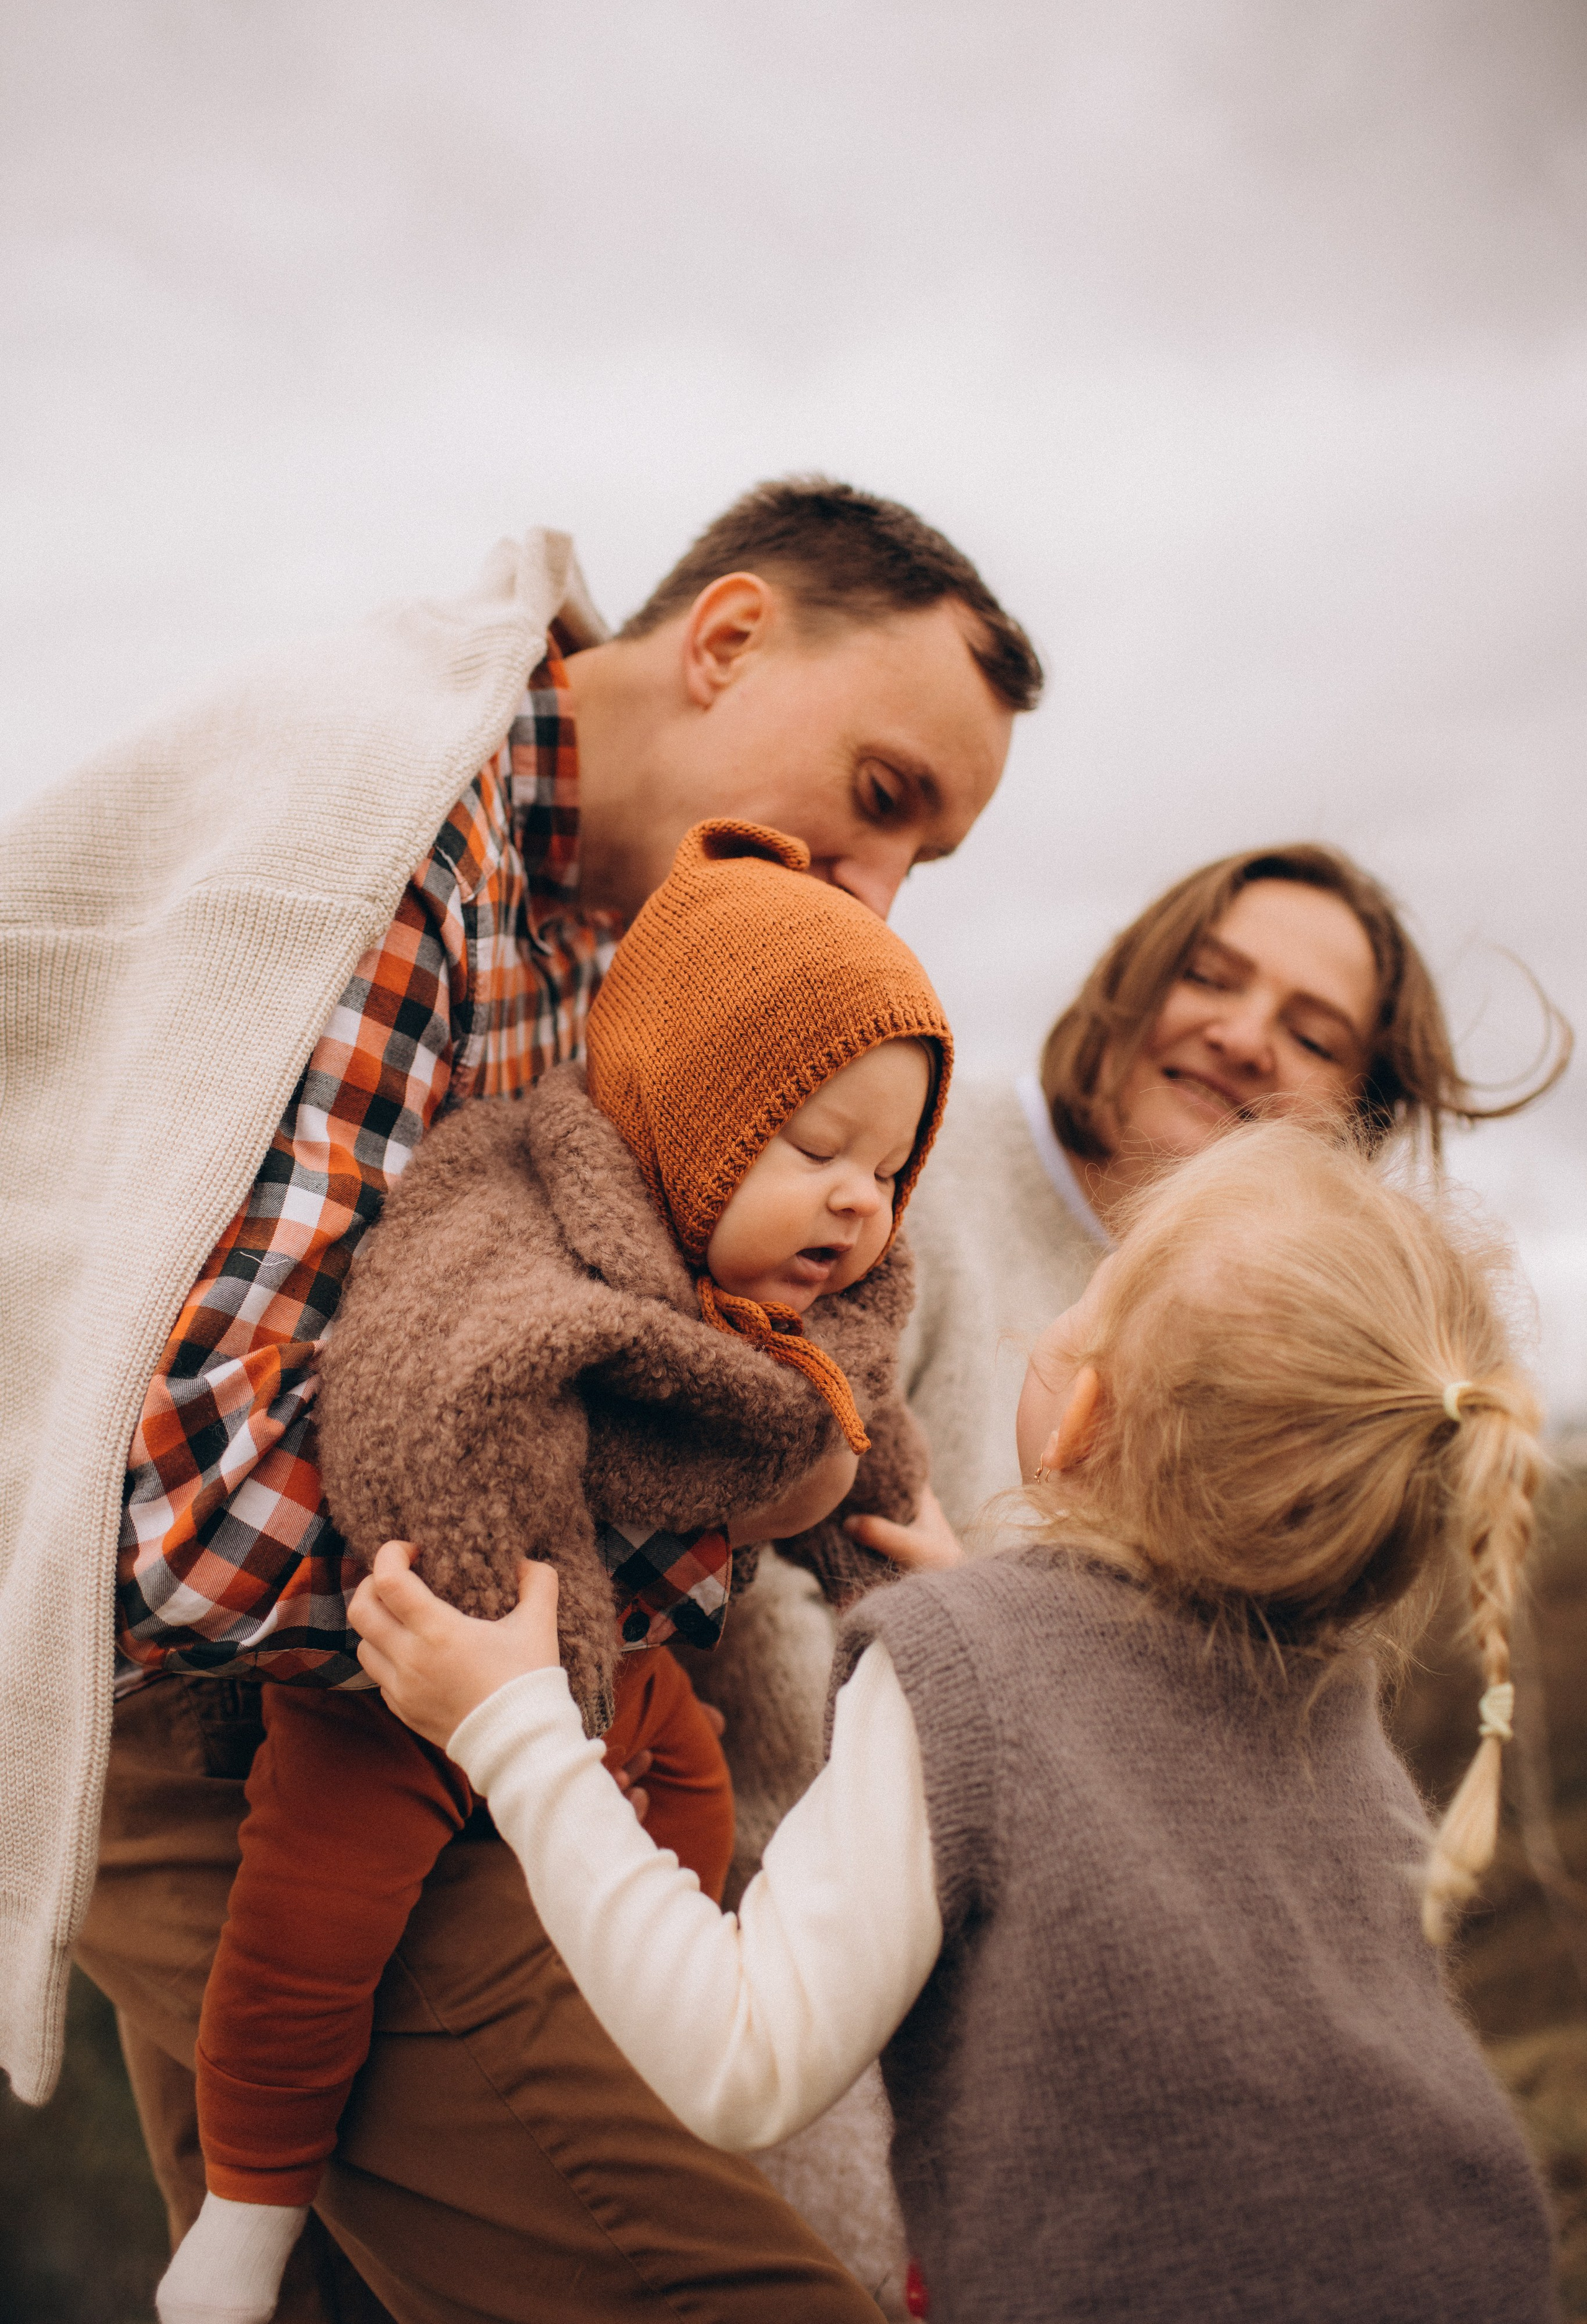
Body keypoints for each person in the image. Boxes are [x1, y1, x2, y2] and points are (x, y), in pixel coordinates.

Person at [1, 477, 1040, 2320]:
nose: (871, 888)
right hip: (232, 1728)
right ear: (723, 640)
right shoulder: (405, 832)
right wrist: (666, 1528)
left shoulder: (653, 972)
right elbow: (198, 1525)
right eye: (883, 796)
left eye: (923, 861)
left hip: (474, 1717)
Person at [349, 1118, 1558, 2324]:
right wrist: (969, 1607)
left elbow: (742, 2058)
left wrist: (513, 1725)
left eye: (1083, 1301)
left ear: (1082, 1411)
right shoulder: (1334, 1720)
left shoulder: (966, 1668)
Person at [160, 818, 951, 2324]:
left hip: (626, 1678)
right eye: (816, 1150)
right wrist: (505, 1656)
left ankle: (614, 2013)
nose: (861, 1201)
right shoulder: (515, 1210)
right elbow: (429, 1380)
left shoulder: (819, 1281)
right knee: (307, 1925)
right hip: (423, 1657)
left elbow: (856, 1401)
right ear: (689, 1111)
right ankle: (248, 2206)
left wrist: (901, 1545)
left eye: (891, 1165)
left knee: (696, 1816)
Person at [891, 843, 1570, 1535]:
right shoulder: (902, 1166)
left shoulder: (1320, 1357)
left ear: (1359, 1118)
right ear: (1128, 977)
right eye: (1208, 978)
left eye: (1312, 1039)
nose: (1244, 1039)